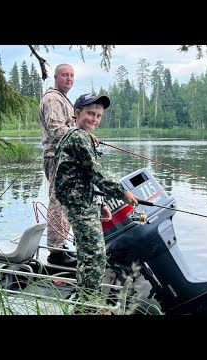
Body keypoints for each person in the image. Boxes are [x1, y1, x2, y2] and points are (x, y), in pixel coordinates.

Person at [54, 93, 138, 311]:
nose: (94, 119)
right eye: (90, 113)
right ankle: (87, 308)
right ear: (77, 113)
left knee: (88, 255)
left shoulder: (79, 136)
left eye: (98, 116)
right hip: (79, 205)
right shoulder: (79, 138)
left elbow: (85, 177)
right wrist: (123, 193)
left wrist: (100, 203)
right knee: (94, 257)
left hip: (85, 203)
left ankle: (85, 304)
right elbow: (96, 174)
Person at [38, 63, 77, 267]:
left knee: (65, 203)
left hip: (64, 157)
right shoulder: (53, 98)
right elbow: (56, 129)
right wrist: (81, 137)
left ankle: (60, 246)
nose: (69, 79)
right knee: (57, 202)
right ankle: (55, 250)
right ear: (55, 77)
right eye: (64, 75)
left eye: (71, 75)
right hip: (56, 157)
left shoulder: (63, 99)